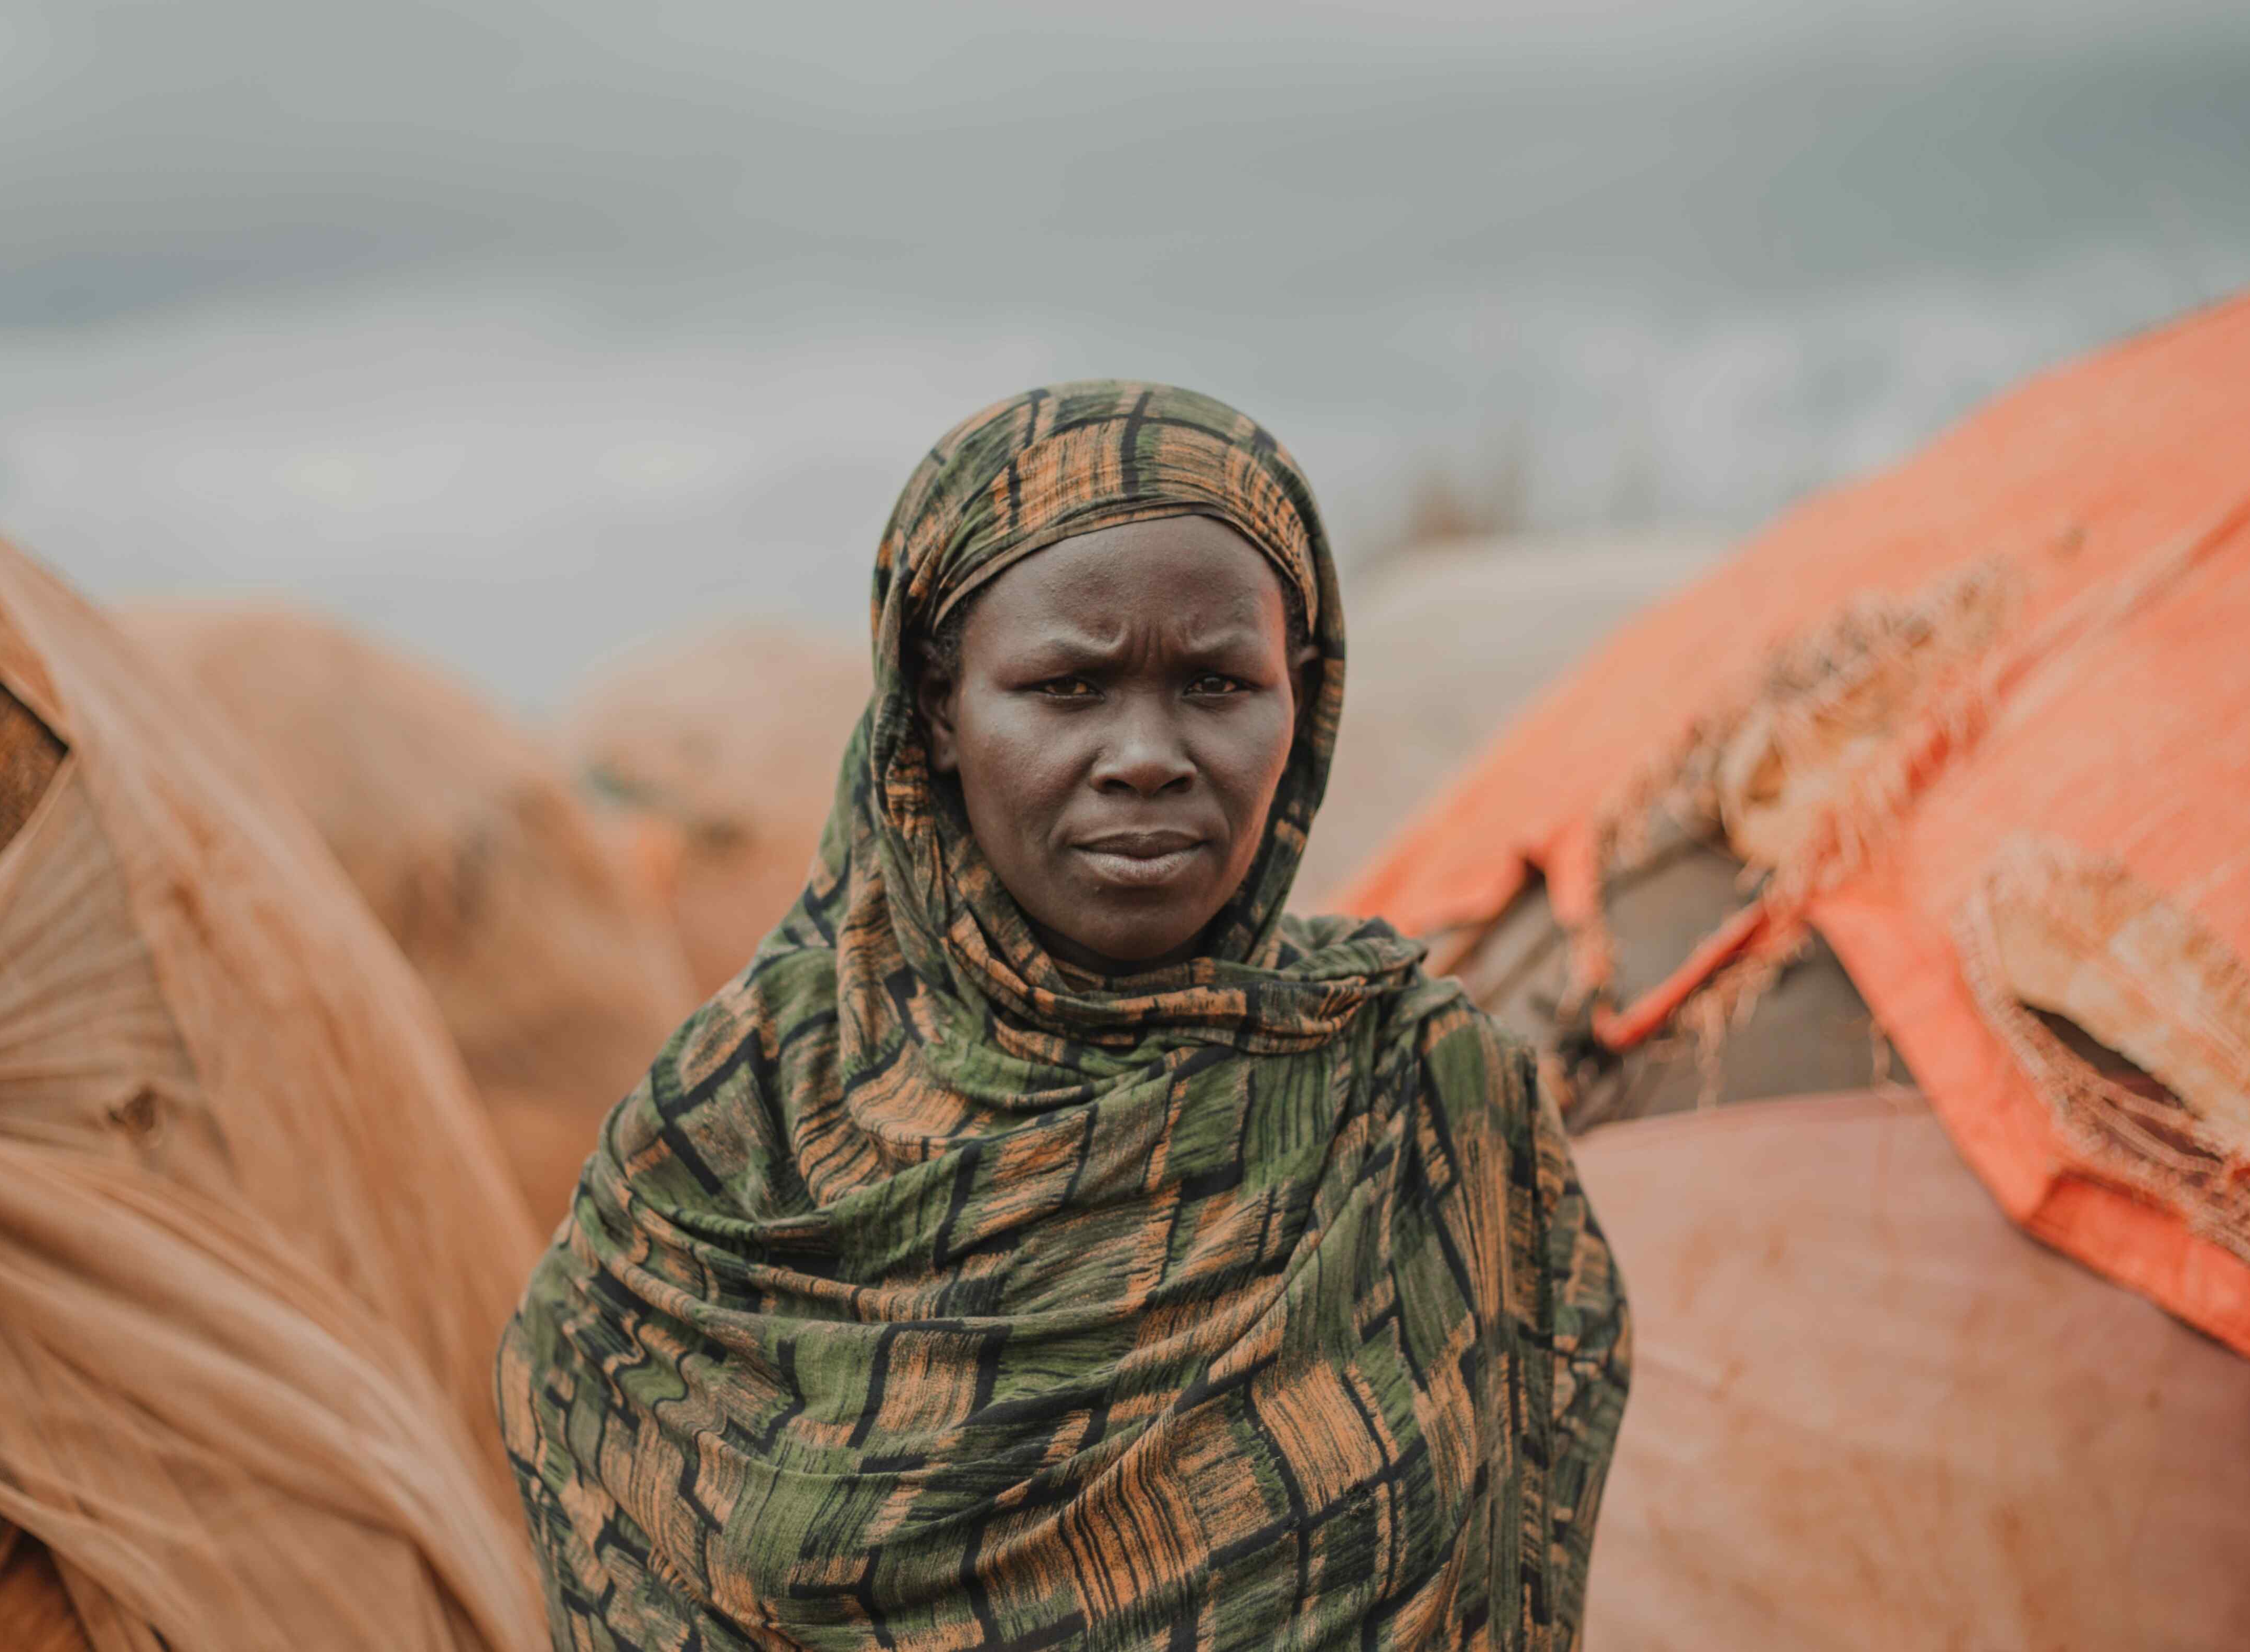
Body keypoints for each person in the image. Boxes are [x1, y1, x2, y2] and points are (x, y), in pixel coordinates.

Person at [497, 381, 1629, 1649]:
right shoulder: (728, 1142)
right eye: (1066, 689)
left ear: (1299, 701)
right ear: (936, 711)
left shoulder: (1417, 1092)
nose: (1146, 753)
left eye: (1215, 685)